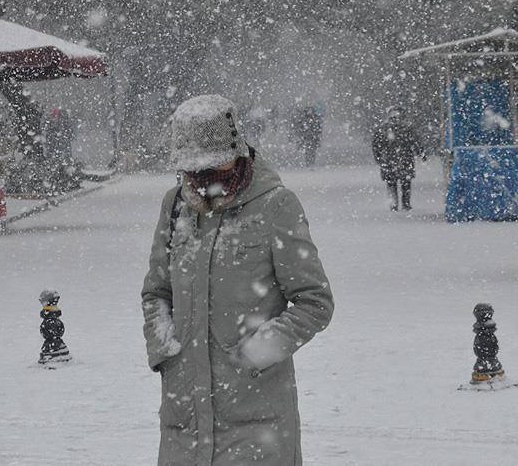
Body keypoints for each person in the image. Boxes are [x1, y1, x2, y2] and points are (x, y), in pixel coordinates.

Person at [141, 94, 334, 466]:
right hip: (185, 416)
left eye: (213, 167)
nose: (201, 181)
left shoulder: (276, 205)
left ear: (237, 152)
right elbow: (156, 293)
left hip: (257, 418)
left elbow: (315, 302)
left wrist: (257, 353)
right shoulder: (176, 205)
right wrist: (165, 350)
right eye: (192, 171)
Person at [372, 106, 426, 211]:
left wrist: (378, 157)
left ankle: (394, 204)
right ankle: (404, 204)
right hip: (404, 159)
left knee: (392, 183)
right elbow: (415, 142)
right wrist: (421, 153)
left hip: (390, 160)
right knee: (405, 183)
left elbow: (376, 145)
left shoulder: (384, 129)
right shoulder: (407, 128)